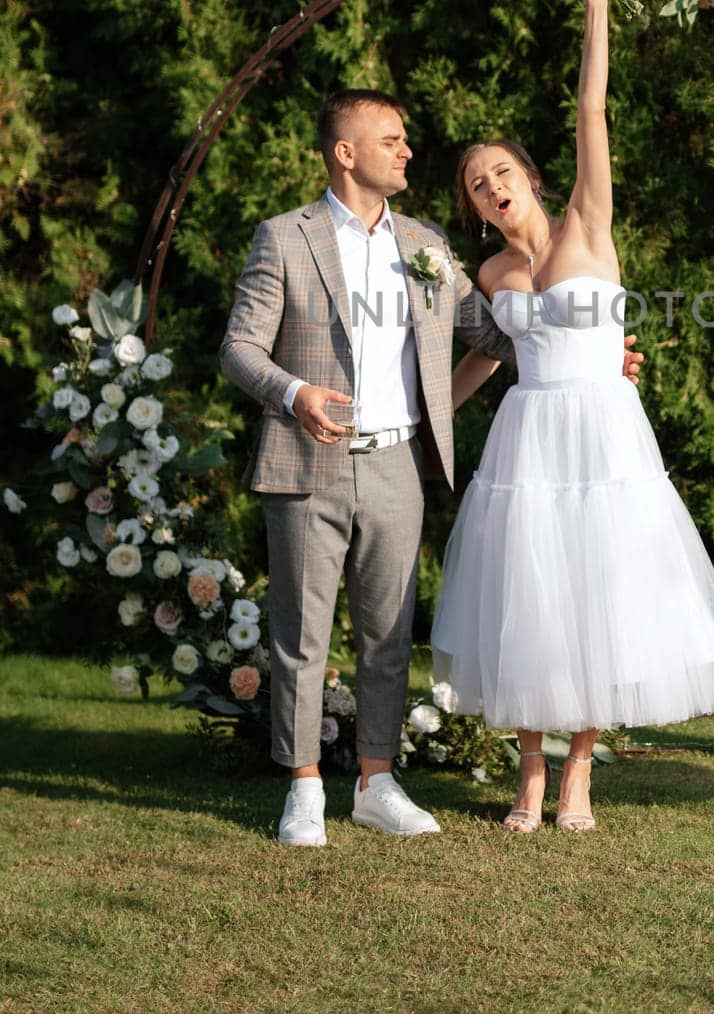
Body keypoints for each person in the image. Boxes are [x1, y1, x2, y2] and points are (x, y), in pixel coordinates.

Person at [219, 88, 642, 846]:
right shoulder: (285, 236)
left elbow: (501, 335)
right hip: (306, 457)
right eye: (390, 139)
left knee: (387, 637)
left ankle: (377, 782)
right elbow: (239, 348)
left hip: (395, 462)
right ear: (346, 153)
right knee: (303, 635)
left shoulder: (426, 245)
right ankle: (305, 790)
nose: (407, 150)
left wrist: (604, 359)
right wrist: (294, 392)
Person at [432, 0, 714, 833]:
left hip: (605, 432)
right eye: (476, 184)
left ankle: (580, 771)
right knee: (529, 596)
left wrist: (594, 5)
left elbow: (591, 107)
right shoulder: (491, 269)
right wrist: (425, 420)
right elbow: (488, 359)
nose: (492, 187)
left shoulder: (589, 218)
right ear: (474, 208)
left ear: (529, 176)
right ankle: (529, 774)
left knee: (598, 590)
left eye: (500, 171)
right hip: (529, 433)